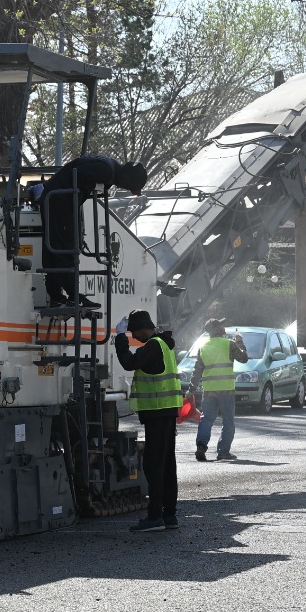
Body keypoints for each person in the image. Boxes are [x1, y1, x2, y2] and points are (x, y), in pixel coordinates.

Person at [39, 155, 148, 307]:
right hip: (60, 202)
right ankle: (72, 295)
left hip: (58, 200)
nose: (135, 193)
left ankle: (57, 295)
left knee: (55, 246)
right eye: (133, 187)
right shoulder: (106, 170)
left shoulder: (108, 166)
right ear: (129, 180)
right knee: (65, 247)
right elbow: (76, 175)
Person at [114, 309, 180, 532]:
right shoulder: (165, 345)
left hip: (157, 412)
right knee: (167, 464)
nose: (134, 337)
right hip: (167, 411)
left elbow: (129, 362)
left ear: (144, 329)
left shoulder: (153, 346)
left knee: (154, 465)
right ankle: (169, 515)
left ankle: (155, 517)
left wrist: (120, 338)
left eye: (134, 332)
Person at [193, 320, 248, 461]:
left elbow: (197, 371)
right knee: (228, 421)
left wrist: (191, 390)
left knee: (206, 420)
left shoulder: (203, 346)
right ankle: (223, 452)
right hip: (226, 390)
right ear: (217, 328)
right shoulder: (229, 344)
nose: (224, 327)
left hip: (209, 391)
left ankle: (201, 447)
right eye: (221, 325)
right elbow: (243, 358)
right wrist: (240, 342)